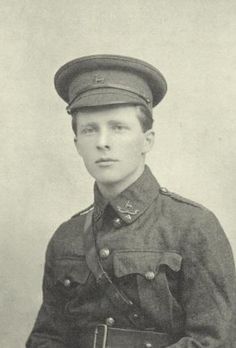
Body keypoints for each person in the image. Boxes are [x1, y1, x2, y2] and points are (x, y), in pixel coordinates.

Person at [26, 55, 236, 348]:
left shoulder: (193, 226)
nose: (102, 141)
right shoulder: (67, 237)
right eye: (89, 129)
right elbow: (47, 338)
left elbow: (215, 340)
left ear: (147, 140)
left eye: (118, 127)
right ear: (77, 145)